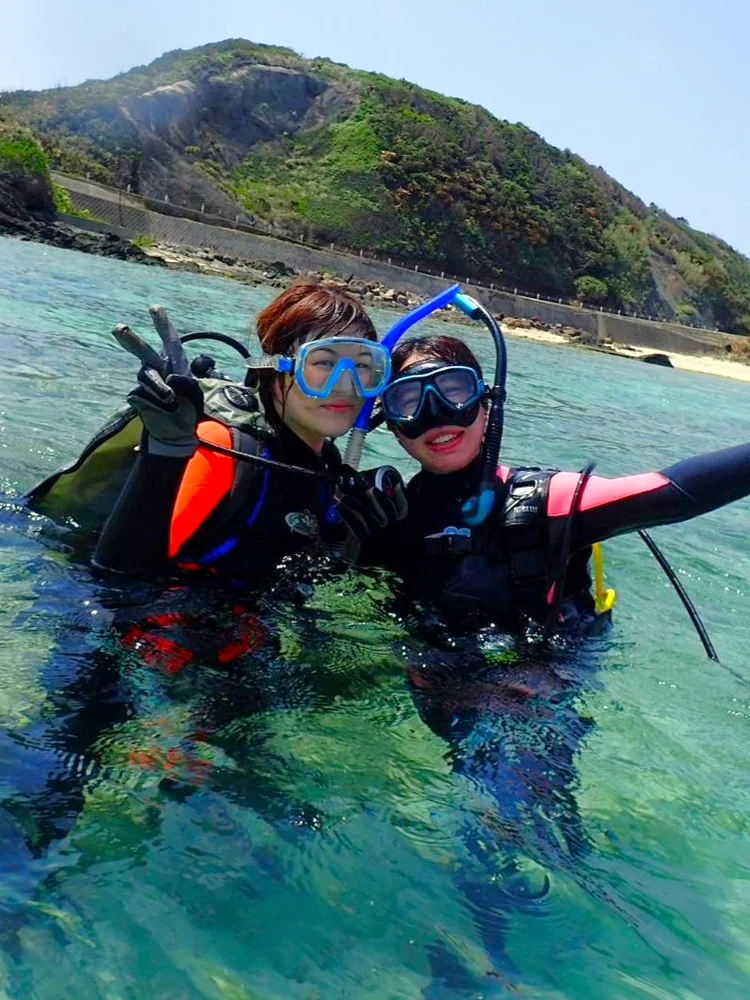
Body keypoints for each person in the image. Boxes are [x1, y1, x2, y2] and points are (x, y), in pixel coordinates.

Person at [372, 331, 750, 638]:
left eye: (454, 390)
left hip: (538, 697)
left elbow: (676, 492)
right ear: (391, 425)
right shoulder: (385, 513)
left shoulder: (546, 501)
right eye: (408, 401)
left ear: (487, 404)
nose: (436, 415)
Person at [83, 279, 407, 581]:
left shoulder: (325, 468)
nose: (345, 385)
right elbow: (118, 580)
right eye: (323, 363)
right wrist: (165, 451)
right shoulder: (225, 447)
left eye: (362, 365)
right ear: (274, 368)